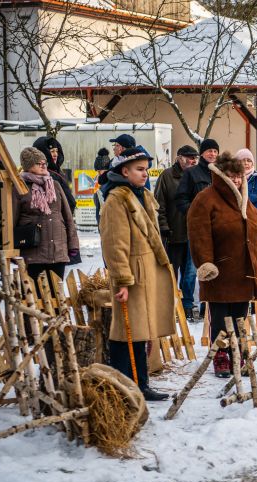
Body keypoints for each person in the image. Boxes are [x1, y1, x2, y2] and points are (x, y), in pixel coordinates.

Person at [187, 152, 257, 378]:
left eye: (238, 176)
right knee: (219, 317)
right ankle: (221, 355)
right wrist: (205, 263)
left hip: (244, 271)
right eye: (231, 176)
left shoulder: (246, 200)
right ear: (220, 175)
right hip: (221, 271)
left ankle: (239, 352)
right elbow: (199, 234)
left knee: (239, 317)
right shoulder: (206, 199)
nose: (236, 180)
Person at [99, 147, 172, 401]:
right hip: (131, 275)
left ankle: (142, 383)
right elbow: (114, 243)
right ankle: (125, 386)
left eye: (145, 169)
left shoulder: (142, 195)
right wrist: (121, 280)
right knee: (125, 332)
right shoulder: (116, 200)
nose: (144, 174)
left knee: (140, 331)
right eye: (139, 170)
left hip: (146, 272)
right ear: (124, 171)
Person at [13, 147, 79, 282]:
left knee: (57, 296)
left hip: (58, 251)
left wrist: (73, 244)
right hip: (33, 253)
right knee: (36, 296)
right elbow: (12, 219)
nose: (44, 166)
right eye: (39, 163)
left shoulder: (54, 185)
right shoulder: (20, 187)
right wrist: (11, 248)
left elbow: (67, 216)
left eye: (45, 163)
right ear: (28, 166)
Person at [154, 145, 200, 318]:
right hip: (174, 233)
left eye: (194, 157)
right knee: (172, 272)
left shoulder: (197, 177)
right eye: (188, 157)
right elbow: (159, 204)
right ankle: (171, 304)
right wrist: (164, 226)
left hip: (193, 233)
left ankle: (187, 304)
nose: (192, 160)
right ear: (178, 158)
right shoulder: (167, 176)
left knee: (190, 273)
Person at [32, 136, 75, 213]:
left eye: (56, 151)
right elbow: (69, 203)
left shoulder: (56, 172)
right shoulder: (49, 176)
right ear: (43, 154)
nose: (56, 154)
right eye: (52, 151)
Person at [176, 138, 218, 216]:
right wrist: (195, 213)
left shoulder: (220, 173)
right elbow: (181, 199)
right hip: (198, 222)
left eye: (215, 151)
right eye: (209, 151)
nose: (213, 154)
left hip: (218, 222)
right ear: (202, 153)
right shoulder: (190, 172)